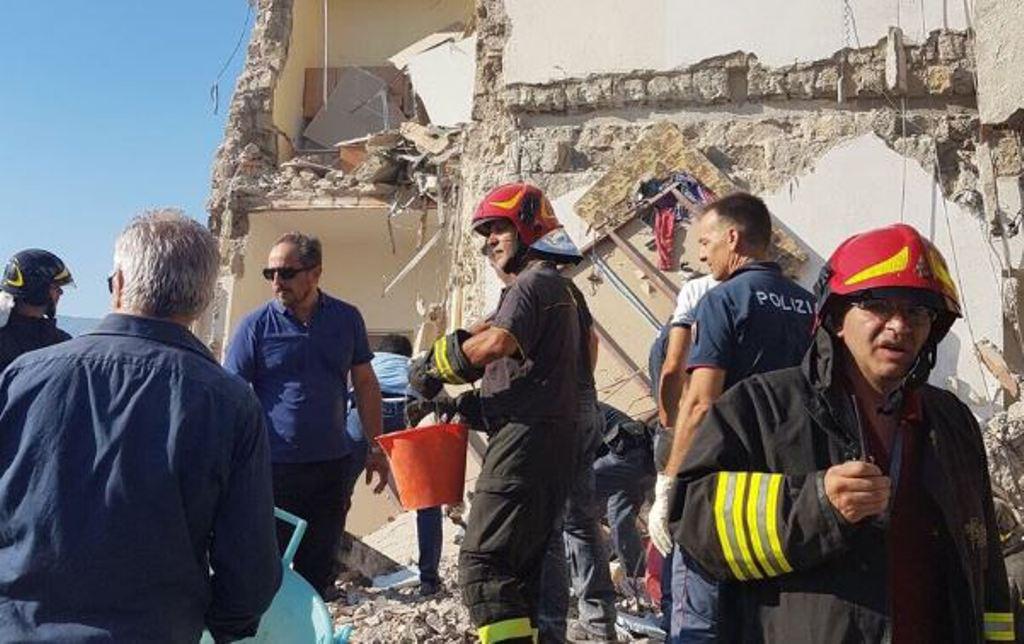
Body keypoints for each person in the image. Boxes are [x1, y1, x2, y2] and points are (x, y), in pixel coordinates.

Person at [675, 223, 1014, 642]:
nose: (899, 326)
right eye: (877, 305)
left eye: (917, 312)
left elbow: (987, 563)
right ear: (835, 318)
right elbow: (694, 522)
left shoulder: (951, 420)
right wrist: (817, 504)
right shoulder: (761, 407)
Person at [0, 211, 281, 642]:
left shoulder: (24, 377)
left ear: (118, 284)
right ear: (204, 300)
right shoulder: (230, 404)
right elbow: (250, 570)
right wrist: (218, 625)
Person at [409, 182, 586, 643]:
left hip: (525, 441)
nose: (489, 242)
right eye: (485, 233)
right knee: (518, 571)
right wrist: (471, 405)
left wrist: (434, 367)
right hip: (545, 438)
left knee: (483, 565)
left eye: (498, 229)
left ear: (528, 227)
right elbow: (531, 370)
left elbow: (496, 341)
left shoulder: (533, 282)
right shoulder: (558, 289)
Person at [648, 193, 815, 641]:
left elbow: (700, 402)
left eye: (706, 242)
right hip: (791, 493)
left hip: (724, 492)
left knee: (698, 621)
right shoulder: (811, 306)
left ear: (733, 238)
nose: (702, 255)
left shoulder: (721, 301)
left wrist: (670, 482)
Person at [224, 231, 388, 600]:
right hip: (273, 470)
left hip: (331, 468)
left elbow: (365, 383)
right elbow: (231, 393)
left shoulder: (346, 319)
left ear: (315, 273)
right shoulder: (255, 326)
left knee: (317, 574)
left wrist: (377, 448)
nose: (276, 282)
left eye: (286, 273)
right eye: (270, 274)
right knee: (267, 573)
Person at [346, 333, 445, 596]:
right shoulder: (414, 364)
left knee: (338, 494)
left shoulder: (368, 362)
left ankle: (325, 572)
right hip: (407, 410)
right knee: (427, 500)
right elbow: (437, 402)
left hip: (362, 412)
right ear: (406, 353)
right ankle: (429, 579)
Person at [593, 403, 656, 588]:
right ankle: (637, 579)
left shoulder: (567, 408)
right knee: (619, 519)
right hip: (638, 456)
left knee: (571, 504)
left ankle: (630, 579)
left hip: (627, 454)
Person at [0, 248, 74, 372]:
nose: (61, 293)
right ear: (37, 290)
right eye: (56, 286)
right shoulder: (61, 345)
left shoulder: (62, 342)